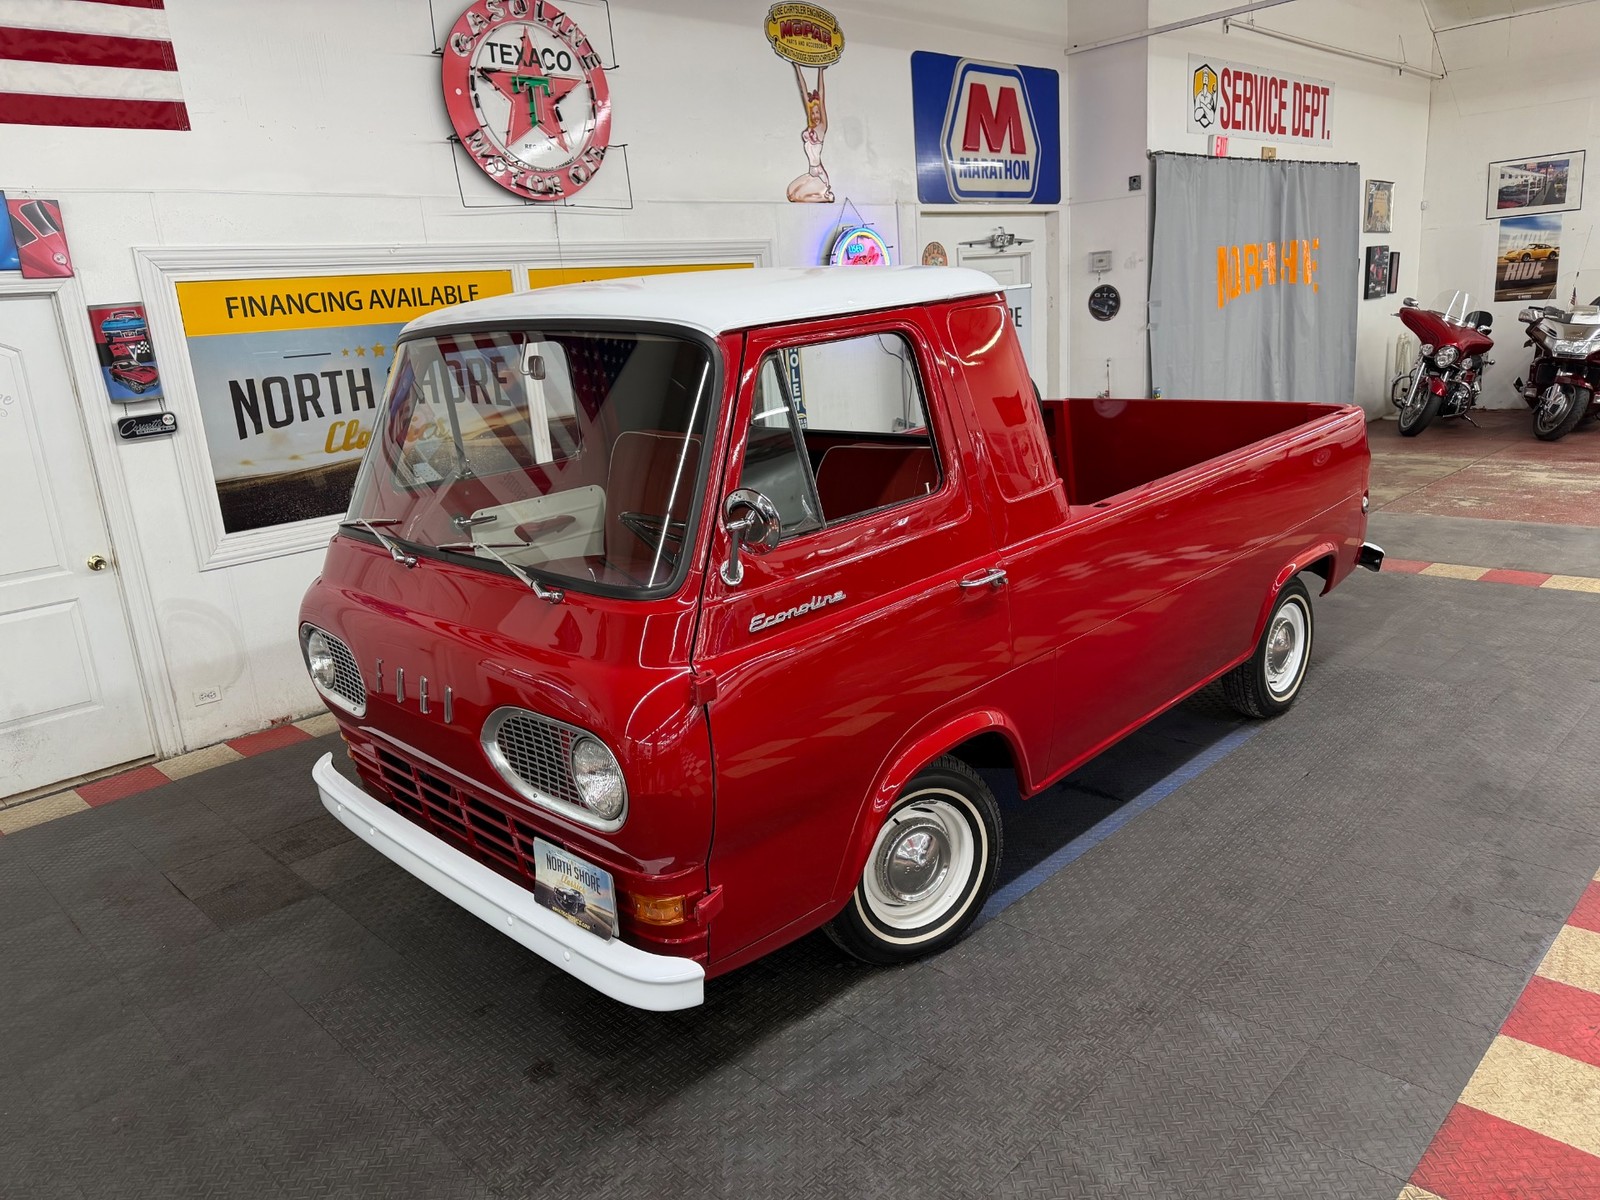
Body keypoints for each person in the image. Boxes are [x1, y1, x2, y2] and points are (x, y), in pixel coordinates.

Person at [787, 62, 833, 203]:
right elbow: (803, 89)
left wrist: (821, 70)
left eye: (817, 112)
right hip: (811, 172)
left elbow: (821, 94)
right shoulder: (810, 127)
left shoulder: (822, 128)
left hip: (819, 175)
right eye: (812, 113)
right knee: (791, 193)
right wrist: (797, 68)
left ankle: (825, 194)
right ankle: (822, 196)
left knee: (797, 196)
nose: (815, 116)